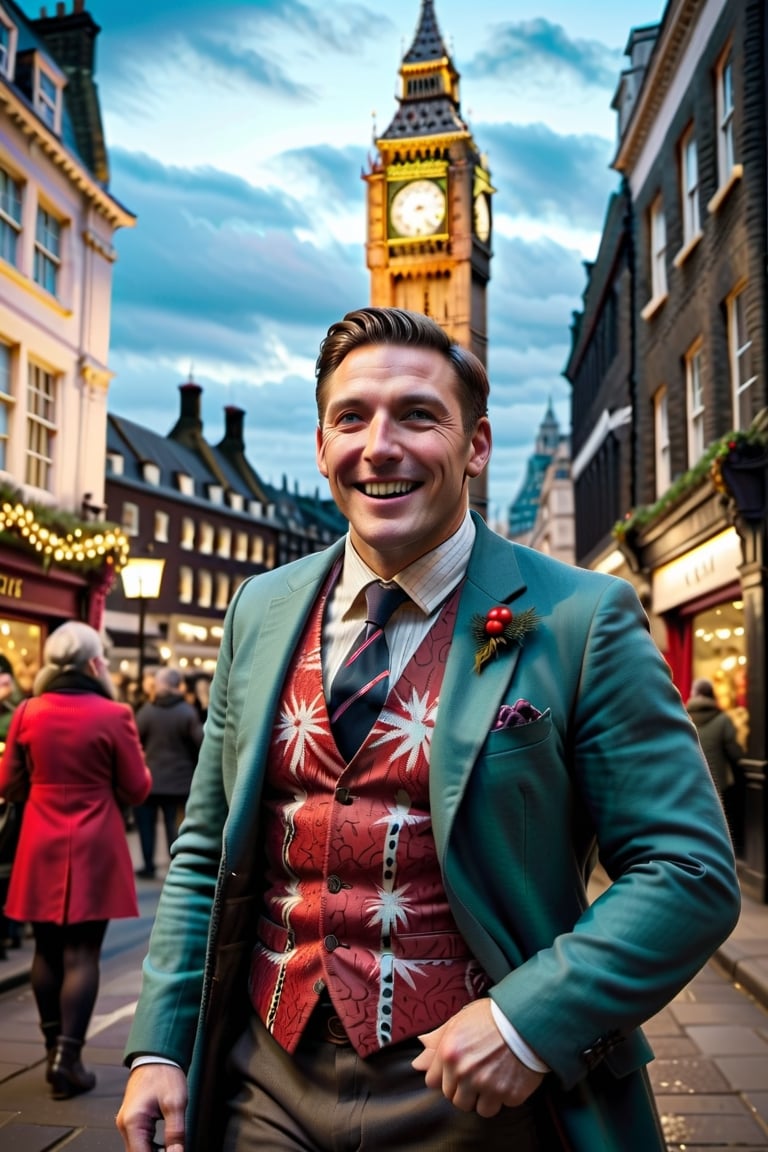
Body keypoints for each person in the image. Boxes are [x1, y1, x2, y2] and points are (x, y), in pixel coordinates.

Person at [116, 307, 740, 1152]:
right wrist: (160, 1043)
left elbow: (688, 869)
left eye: (418, 414)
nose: (380, 445)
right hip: (264, 1079)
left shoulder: (578, 617)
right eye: (351, 417)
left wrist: (527, 1023)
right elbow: (204, 852)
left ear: (476, 447)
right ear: (320, 444)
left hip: (478, 1104)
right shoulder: (259, 610)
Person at [0, 621, 151, 1099]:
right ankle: (69, 1058)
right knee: (83, 953)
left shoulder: (27, 712)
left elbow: (7, 785)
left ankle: (51, 1054)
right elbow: (137, 787)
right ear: (94, 661)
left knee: (45, 949)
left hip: (39, 839)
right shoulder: (114, 714)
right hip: (95, 841)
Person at [133, 666, 204, 880]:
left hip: (151, 781)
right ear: (177, 686)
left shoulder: (146, 711)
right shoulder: (187, 712)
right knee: (175, 825)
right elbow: (200, 743)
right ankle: (176, 865)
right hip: (180, 781)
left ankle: (148, 865)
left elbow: (135, 741)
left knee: (146, 826)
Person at [686, 677, 744, 799]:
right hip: (719, 788)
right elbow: (735, 754)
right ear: (712, 694)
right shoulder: (723, 719)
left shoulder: (685, 718)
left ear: (693, 694)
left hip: (691, 786)